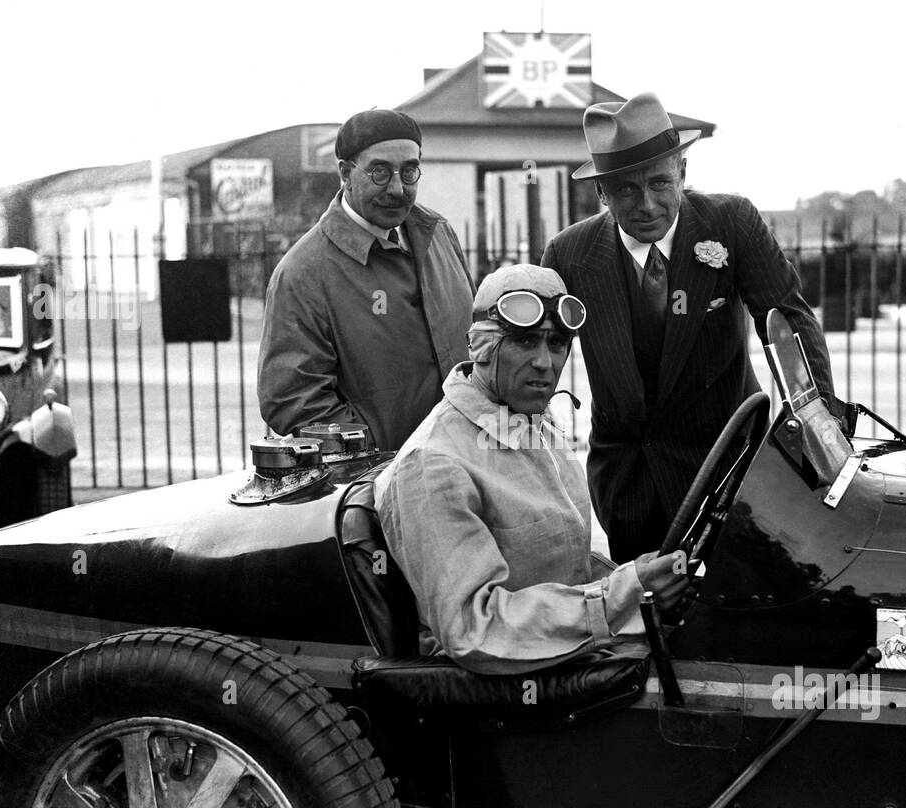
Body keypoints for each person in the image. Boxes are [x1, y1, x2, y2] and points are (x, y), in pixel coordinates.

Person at [543, 92, 845, 562]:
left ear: (683, 172)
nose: (646, 204)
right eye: (624, 190)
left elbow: (788, 321)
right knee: (643, 625)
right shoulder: (568, 254)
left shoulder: (731, 222)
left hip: (727, 472)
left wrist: (818, 426)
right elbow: (537, 356)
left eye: (660, 183)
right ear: (600, 194)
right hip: (628, 485)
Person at [374, 264, 688, 675]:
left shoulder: (533, 424)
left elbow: (564, 568)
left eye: (557, 343)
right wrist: (621, 596)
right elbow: (472, 629)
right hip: (498, 695)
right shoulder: (433, 464)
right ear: (481, 348)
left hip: (566, 653)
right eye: (524, 341)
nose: (545, 362)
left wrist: (640, 581)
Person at [257, 108, 474, 449]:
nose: (397, 188)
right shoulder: (303, 273)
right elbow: (293, 403)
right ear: (345, 173)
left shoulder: (439, 234)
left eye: (410, 171)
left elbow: (477, 345)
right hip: (380, 482)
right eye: (379, 172)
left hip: (469, 463)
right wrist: (378, 456)